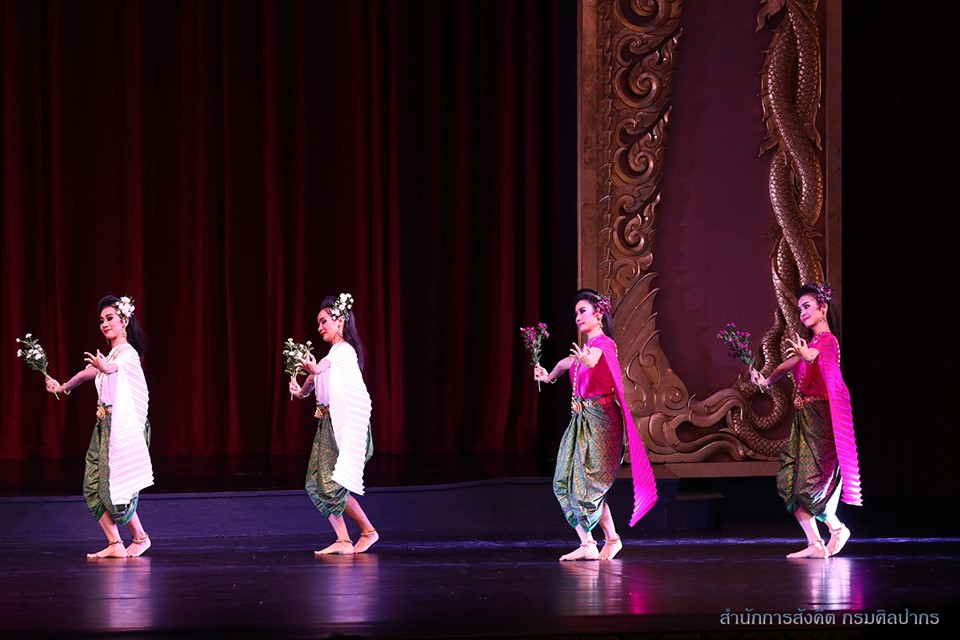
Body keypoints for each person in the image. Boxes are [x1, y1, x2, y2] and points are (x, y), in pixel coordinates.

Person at [533, 288, 658, 561]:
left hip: (603, 422)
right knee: (563, 482)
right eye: (576, 313)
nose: (577, 317)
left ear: (598, 314)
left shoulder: (604, 345)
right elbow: (565, 365)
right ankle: (588, 543)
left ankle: (612, 540)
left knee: (589, 487)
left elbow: (593, 359)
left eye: (582, 311)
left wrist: (587, 360)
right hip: (581, 421)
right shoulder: (583, 351)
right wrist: (547, 376)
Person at [751, 283, 862, 558]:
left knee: (809, 486)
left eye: (807, 306)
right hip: (804, 419)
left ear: (823, 307)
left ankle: (837, 529)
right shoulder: (810, 344)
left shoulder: (827, 342)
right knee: (789, 482)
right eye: (800, 308)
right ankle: (815, 543)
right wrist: (764, 381)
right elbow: (783, 367)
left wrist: (807, 356)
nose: (802, 313)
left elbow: (815, 357)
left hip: (822, 420)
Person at [44, 295, 154, 559]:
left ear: (124, 321)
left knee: (115, 487)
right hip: (104, 424)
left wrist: (106, 367)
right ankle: (115, 543)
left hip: (124, 426)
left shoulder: (127, 354)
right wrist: (61, 387)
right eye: (101, 320)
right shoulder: (111, 354)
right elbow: (85, 374)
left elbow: (115, 368)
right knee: (92, 485)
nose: (104, 324)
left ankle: (140, 537)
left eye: (109, 318)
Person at [289, 292, 378, 555]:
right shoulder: (333, 355)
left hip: (343, 424)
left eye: (323, 321)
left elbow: (322, 367)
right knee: (315, 483)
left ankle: (368, 532)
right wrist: (300, 391)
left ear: (340, 322)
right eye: (318, 323)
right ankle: (343, 539)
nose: (319, 328)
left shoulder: (344, 351)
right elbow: (314, 379)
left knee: (330, 484)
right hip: (326, 423)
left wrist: (314, 369)